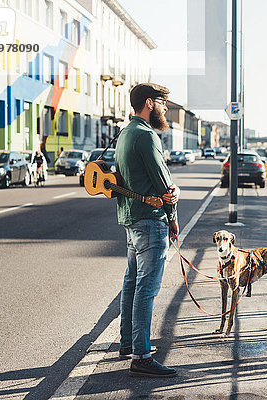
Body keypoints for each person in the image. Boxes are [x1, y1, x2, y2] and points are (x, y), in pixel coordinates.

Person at [115, 83, 181, 377]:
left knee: (132, 281)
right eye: (164, 103)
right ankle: (142, 357)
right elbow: (163, 184)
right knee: (147, 287)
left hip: (131, 219)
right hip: (151, 221)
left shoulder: (124, 134)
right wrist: (173, 215)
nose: (166, 108)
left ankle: (128, 341)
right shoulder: (145, 135)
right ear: (150, 103)